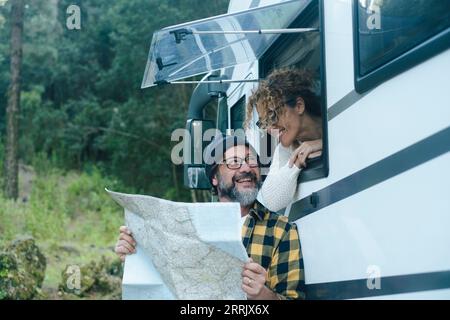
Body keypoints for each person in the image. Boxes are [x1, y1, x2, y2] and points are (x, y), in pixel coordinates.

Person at [115, 134, 306, 300]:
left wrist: (262, 295)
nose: (246, 168)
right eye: (234, 162)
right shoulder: (185, 225)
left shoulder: (281, 230)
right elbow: (165, 287)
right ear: (214, 177)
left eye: (251, 161)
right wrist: (135, 259)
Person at [245, 68, 323, 212]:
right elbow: (270, 201)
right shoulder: (285, 149)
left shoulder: (337, 119)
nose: (270, 129)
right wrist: (296, 163)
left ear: (299, 106)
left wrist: (322, 144)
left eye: (273, 116)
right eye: (264, 123)